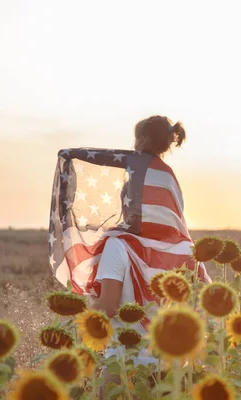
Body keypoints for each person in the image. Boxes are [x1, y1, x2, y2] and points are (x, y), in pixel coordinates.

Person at [85, 115, 210, 397]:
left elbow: (106, 309)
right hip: (174, 372)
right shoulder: (189, 252)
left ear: (129, 201)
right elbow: (205, 310)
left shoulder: (119, 245)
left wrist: (86, 306)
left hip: (126, 368)